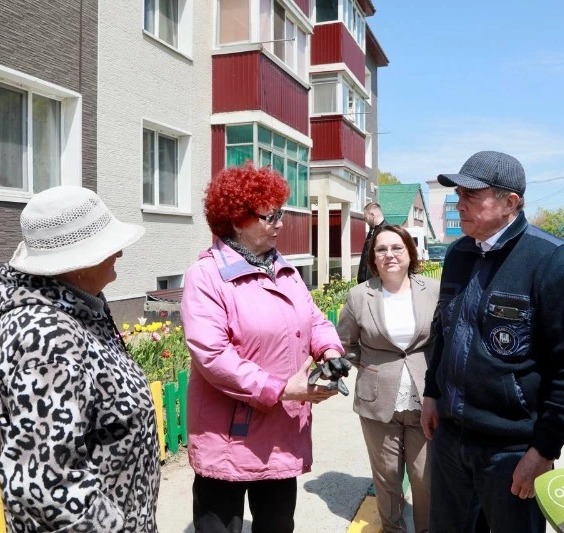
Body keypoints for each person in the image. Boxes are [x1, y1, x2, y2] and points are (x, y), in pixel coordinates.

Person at [422, 151, 564, 533]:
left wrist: (544, 450)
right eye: (457, 194)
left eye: (471, 195)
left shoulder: (553, 260)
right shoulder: (457, 254)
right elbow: (444, 331)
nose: (459, 203)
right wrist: (432, 393)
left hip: (511, 451)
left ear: (510, 202)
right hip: (450, 442)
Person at [180, 164, 344, 533]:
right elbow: (213, 356)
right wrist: (283, 389)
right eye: (271, 216)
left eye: (281, 213)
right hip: (228, 437)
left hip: (280, 432)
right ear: (238, 220)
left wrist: (330, 351)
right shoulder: (205, 276)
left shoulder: (283, 269)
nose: (280, 223)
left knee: (277, 524)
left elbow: (314, 319)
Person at [0, 186, 159, 532]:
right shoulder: (43, 336)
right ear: (76, 264)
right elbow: (47, 486)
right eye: (109, 247)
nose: (120, 253)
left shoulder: (80, 309)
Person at [337, 225, 440, 533]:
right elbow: (344, 345)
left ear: (410, 252)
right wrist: (368, 368)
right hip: (377, 401)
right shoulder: (359, 296)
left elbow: (443, 341)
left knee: (424, 478)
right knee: (387, 477)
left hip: (426, 400)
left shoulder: (432, 290)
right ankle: (393, 529)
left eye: (397, 247)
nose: (389, 255)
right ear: (373, 258)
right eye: (381, 249)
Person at [357, 202, 386, 283]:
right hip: (367, 282)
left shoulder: (387, 232)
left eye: (365, 217)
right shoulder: (372, 230)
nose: (365, 220)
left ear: (372, 215)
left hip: (377, 283)